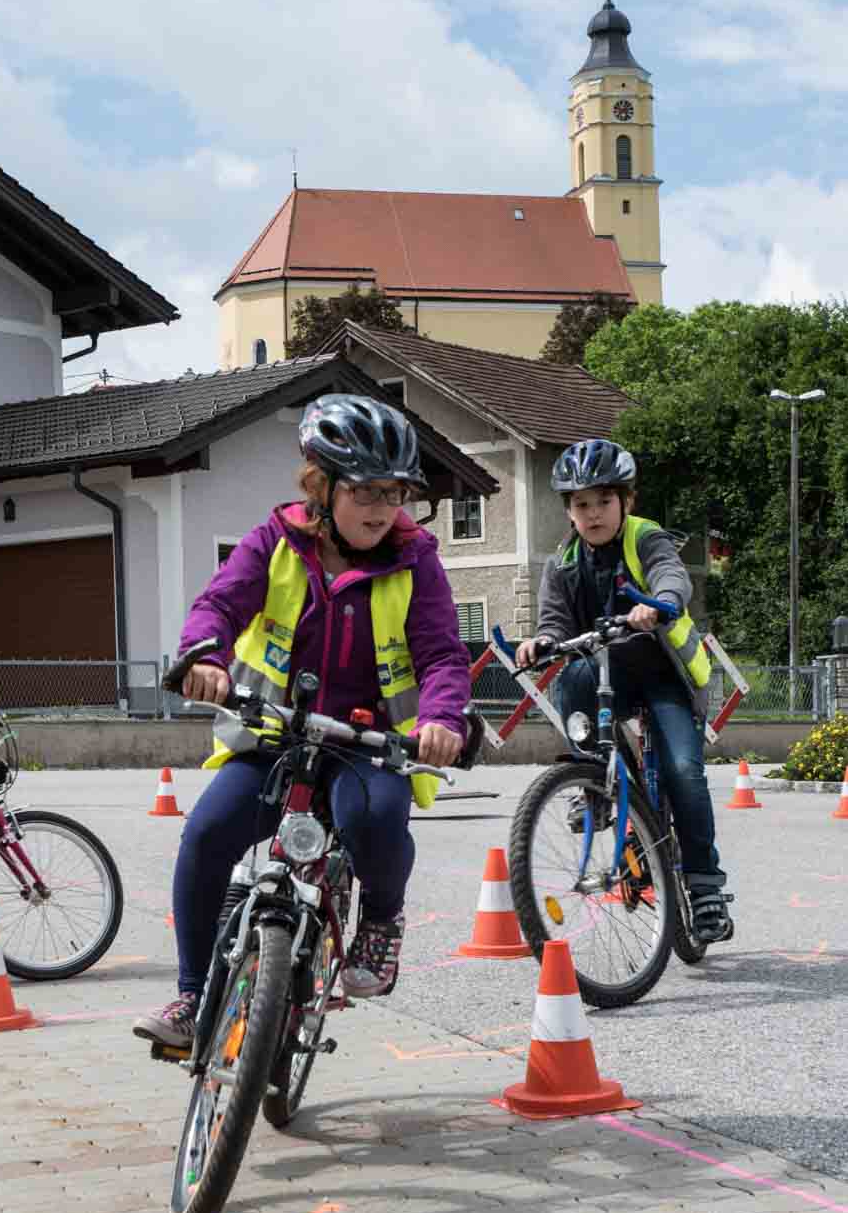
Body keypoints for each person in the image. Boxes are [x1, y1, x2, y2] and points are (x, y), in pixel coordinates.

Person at [133, 394, 471, 1048]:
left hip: (368, 742)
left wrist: (442, 718)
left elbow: (439, 652)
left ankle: (379, 919)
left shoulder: (415, 558)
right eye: (365, 490)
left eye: (394, 491)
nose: (380, 507)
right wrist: (205, 655)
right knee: (205, 836)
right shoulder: (276, 543)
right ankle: (192, 998)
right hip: (274, 735)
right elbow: (221, 604)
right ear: (323, 485)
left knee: (372, 820)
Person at [515, 439, 733, 944]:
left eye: (603, 502)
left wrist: (659, 602)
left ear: (625, 502)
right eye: (581, 504)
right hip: (606, 676)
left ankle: (704, 889)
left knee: (683, 772)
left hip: (662, 675)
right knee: (571, 673)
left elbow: (671, 575)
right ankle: (590, 776)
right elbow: (553, 621)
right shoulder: (563, 564)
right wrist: (542, 641)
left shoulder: (646, 538)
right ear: (569, 511)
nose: (592, 514)